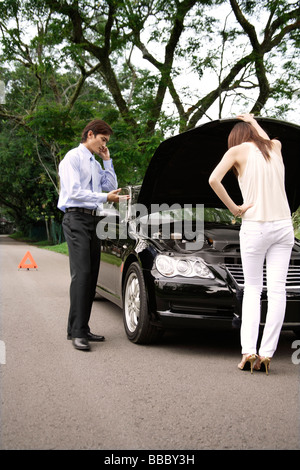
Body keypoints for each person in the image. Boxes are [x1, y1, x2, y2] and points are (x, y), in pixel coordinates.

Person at [209, 113, 294, 374]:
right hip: (283, 227)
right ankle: (267, 354)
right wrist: (253, 121)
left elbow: (213, 180)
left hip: (255, 227)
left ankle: (249, 352)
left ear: (235, 139)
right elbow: (264, 139)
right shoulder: (275, 147)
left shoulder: (236, 151)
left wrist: (235, 209)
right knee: (278, 290)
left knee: (254, 290)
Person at [58, 119, 129, 351]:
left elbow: (110, 185)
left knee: (91, 275)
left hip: (93, 219)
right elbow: (74, 192)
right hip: (75, 217)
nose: (104, 145)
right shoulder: (73, 158)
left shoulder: (95, 163)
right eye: (102, 140)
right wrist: (104, 198)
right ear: (90, 134)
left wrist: (107, 161)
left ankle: (80, 328)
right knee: (82, 273)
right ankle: (77, 332)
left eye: (106, 142)